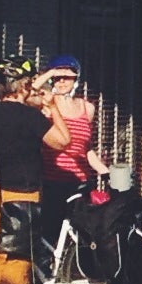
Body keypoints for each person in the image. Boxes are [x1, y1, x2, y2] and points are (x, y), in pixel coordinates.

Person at [36, 56, 100, 200]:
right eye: (58, 78)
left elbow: (85, 148)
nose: (62, 81)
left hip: (79, 181)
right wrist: (51, 72)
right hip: (51, 179)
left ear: (76, 79)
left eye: (67, 77)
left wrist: (104, 171)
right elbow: (30, 90)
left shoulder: (87, 108)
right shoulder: (46, 104)